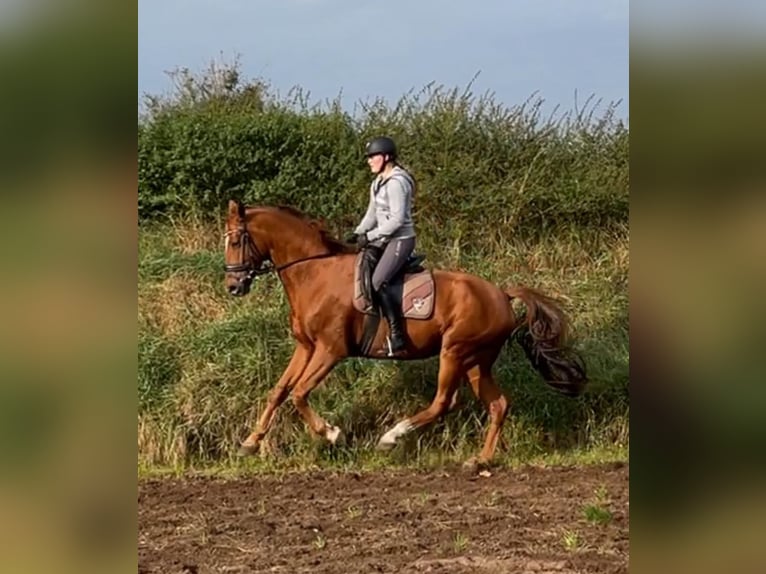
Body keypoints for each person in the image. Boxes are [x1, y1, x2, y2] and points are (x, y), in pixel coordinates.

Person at [346, 136, 417, 356]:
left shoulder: (397, 183)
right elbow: (372, 215)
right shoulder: (377, 182)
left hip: (400, 240)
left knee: (378, 281)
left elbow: (396, 221)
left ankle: (397, 337)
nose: (369, 161)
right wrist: (357, 232)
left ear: (386, 158)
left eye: (372, 157)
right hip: (384, 238)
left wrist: (370, 237)